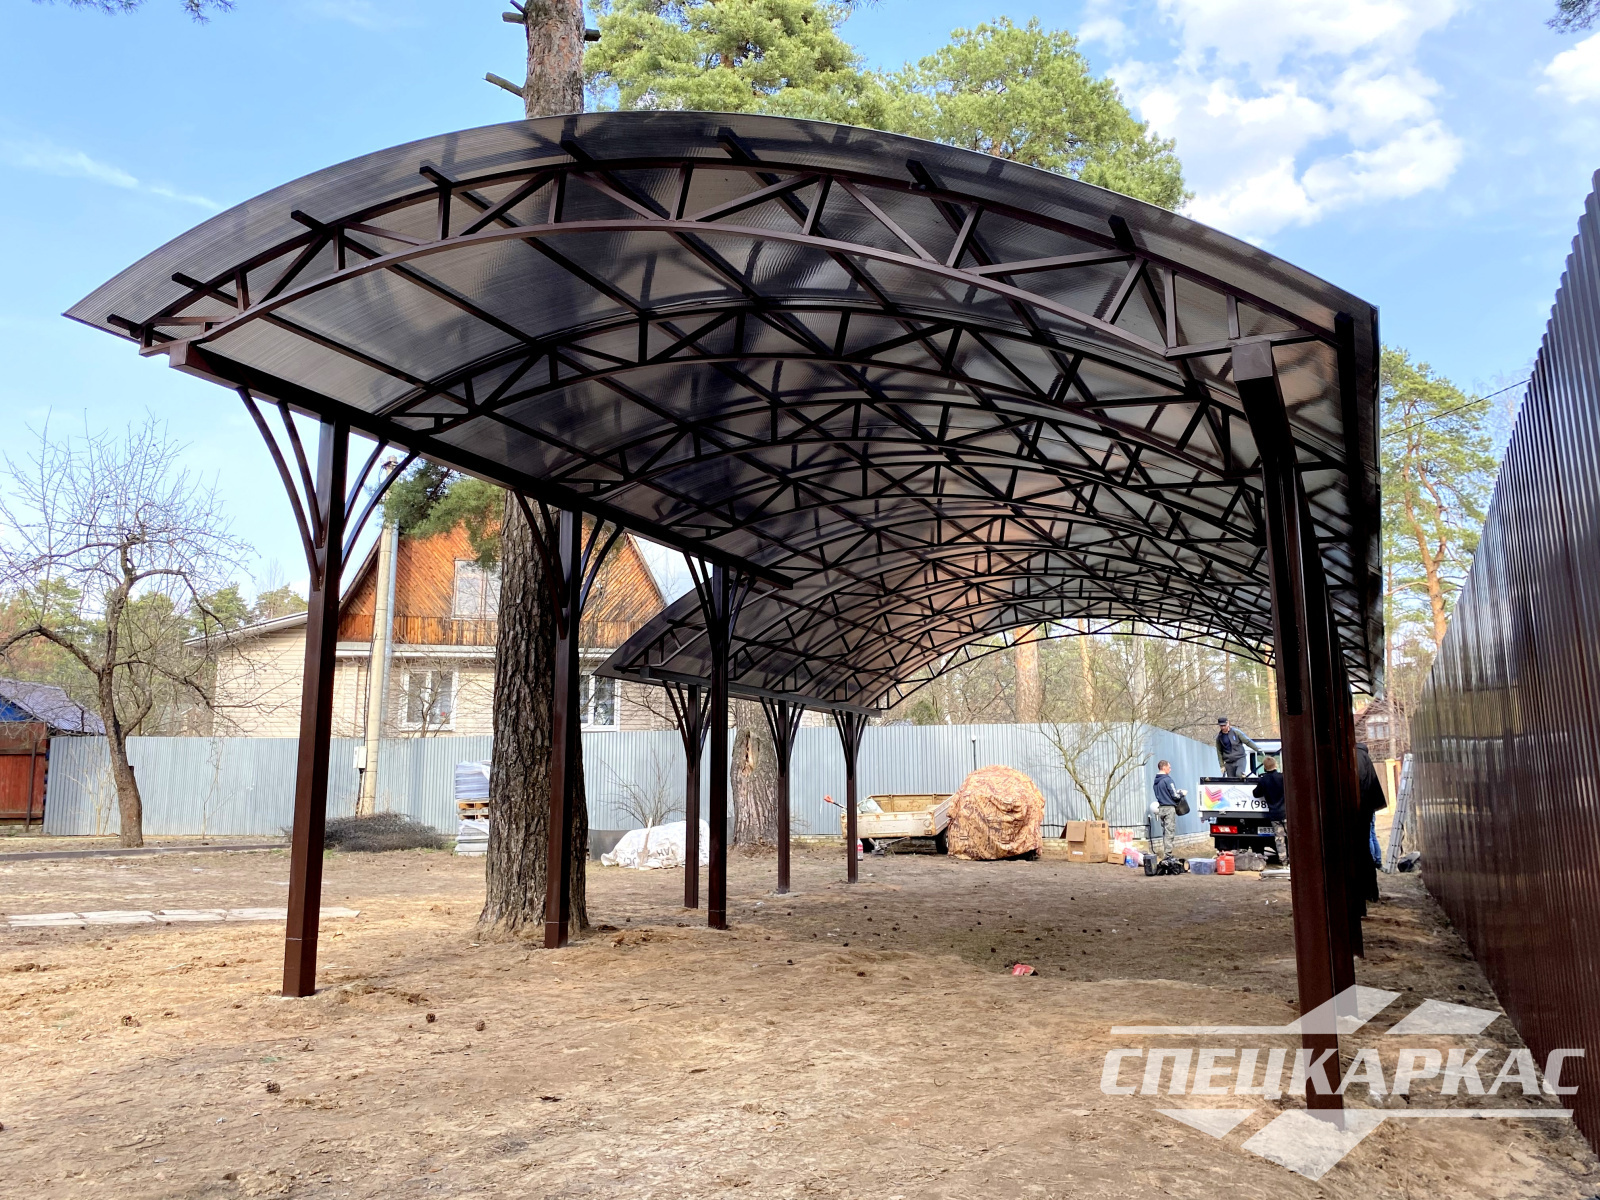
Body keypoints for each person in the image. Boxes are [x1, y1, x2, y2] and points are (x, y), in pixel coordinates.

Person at [1253, 755, 1287, 866]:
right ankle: (1295, 860)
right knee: (1292, 837)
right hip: (1286, 813)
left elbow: (1256, 793)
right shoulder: (1283, 777)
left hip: (1274, 815)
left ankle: (1284, 861)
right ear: (1275, 765)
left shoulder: (1263, 780)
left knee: (1279, 839)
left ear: (1264, 767)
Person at [1152, 759, 1182, 859]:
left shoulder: (1156, 782)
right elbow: (1175, 795)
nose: (1170, 769)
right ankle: (1168, 855)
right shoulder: (1168, 780)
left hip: (1161, 808)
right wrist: (1181, 794)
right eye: (1169, 767)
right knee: (1170, 832)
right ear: (1164, 768)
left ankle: (1166, 853)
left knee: (1165, 832)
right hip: (1169, 808)